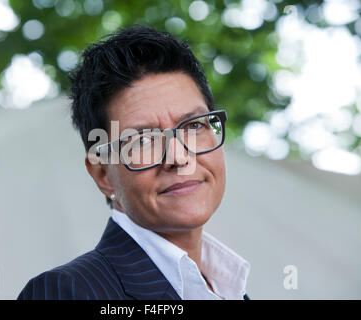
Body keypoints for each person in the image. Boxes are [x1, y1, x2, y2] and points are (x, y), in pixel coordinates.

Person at [17, 25, 251, 300]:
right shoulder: (65, 292)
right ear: (103, 174)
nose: (178, 157)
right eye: (143, 140)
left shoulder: (228, 288)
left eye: (194, 125)